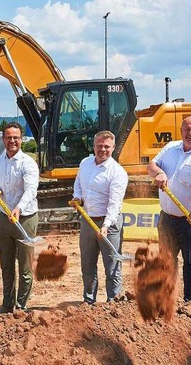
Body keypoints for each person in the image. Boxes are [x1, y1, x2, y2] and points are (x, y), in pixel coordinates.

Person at [147, 115, 191, 310]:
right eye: (187, 129)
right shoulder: (170, 148)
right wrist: (159, 173)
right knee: (166, 259)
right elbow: (152, 165)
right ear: (181, 131)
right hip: (168, 218)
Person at [72, 130, 129, 304]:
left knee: (112, 267)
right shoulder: (85, 163)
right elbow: (78, 184)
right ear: (94, 146)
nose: (102, 149)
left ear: (113, 148)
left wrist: (106, 225)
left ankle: (114, 302)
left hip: (108, 225)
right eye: (99, 146)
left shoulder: (117, 173)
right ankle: (89, 301)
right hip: (88, 221)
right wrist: (77, 197)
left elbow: (114, 203)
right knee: (87, 266)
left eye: (106, 146)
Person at [0, 122, 39, 313]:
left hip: (25, 218)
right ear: (3, 139)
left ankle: (21, 305)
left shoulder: (28, 163)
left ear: (21, 140)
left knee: (25, 266)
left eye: (16, 138)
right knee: (6, 265)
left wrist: (18, 208)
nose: (12, 141)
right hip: (5, 218)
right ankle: (7, 303)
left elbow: (30, 191)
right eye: (9, 137)